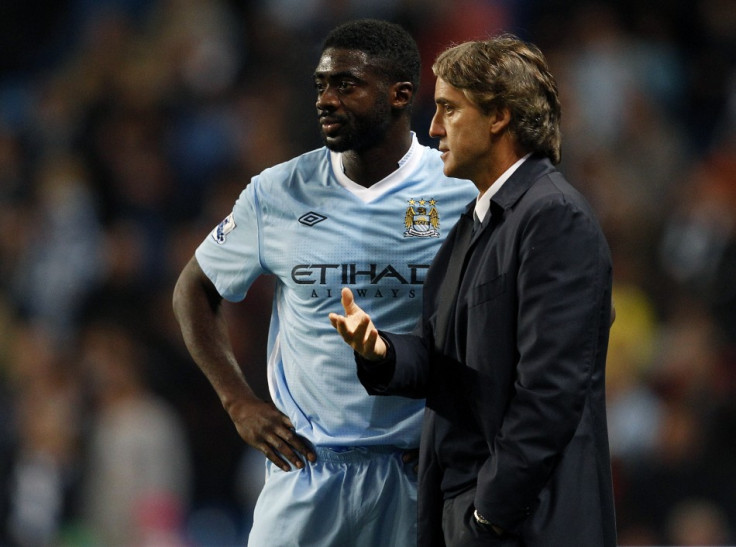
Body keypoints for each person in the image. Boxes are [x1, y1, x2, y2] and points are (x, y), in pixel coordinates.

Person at [172, 19, 476, 546]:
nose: (326, 100)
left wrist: (464, 426)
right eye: (321, 85)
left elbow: (499, 320)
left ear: (401, 95)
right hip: (306, 469)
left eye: (347, 85)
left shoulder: (457, 189)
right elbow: (193, 290)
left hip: (417, 473)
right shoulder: (278, 191)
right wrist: (237, 401)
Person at [330, 35, 617, 546]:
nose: (434, 128)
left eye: (448, 109)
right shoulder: (475, 222)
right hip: (466, 514)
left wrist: (489, 515)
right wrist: (380, 350)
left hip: (525, 526)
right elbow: (445, 362)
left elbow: (550, 394)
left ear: (499, 116)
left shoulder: (553, 218)